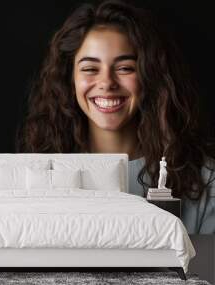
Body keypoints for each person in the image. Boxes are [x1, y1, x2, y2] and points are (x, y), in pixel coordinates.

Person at [15, 0, 215, 234]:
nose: (107, 83)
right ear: (69, 80)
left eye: (125, 68)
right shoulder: (39, 175)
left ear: (149, 76)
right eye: (90, 69)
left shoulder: (206, 180)